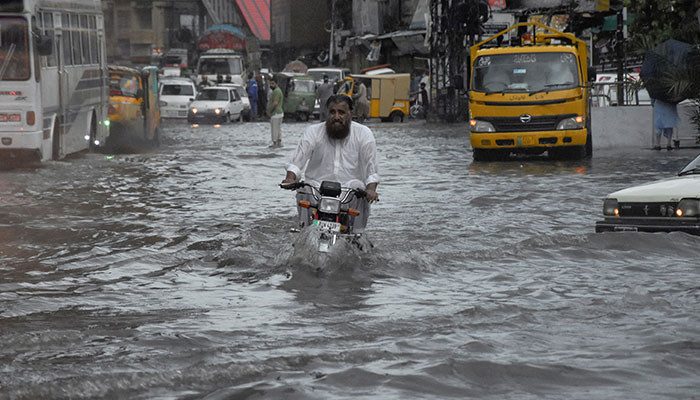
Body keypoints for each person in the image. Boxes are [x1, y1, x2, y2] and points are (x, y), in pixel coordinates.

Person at [281, 94, 380, 234]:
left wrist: (371, 189)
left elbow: (372, 169)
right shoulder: (313, 131)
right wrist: (290, 178)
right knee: (303, 188)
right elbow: (298, 159)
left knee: (360, 189)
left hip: (349, 191)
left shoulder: (364, 134)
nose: (336, 117)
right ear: (327, 113)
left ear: (350, 113)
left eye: (341, 112)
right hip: (317, 189)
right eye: (332, 112)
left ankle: (358, 235)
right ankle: (304, 232)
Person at [267, 76, 284, 146]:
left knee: (274, 130)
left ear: (276, 84)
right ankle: (278, 143)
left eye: (273, 83)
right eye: (270, 84)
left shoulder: (276, 91)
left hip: (276, 114)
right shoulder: (277, 91)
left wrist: (270, 111)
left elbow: (275, 103)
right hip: (279, 113)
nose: (271, 85)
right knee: (278, 129)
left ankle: (274, 143)